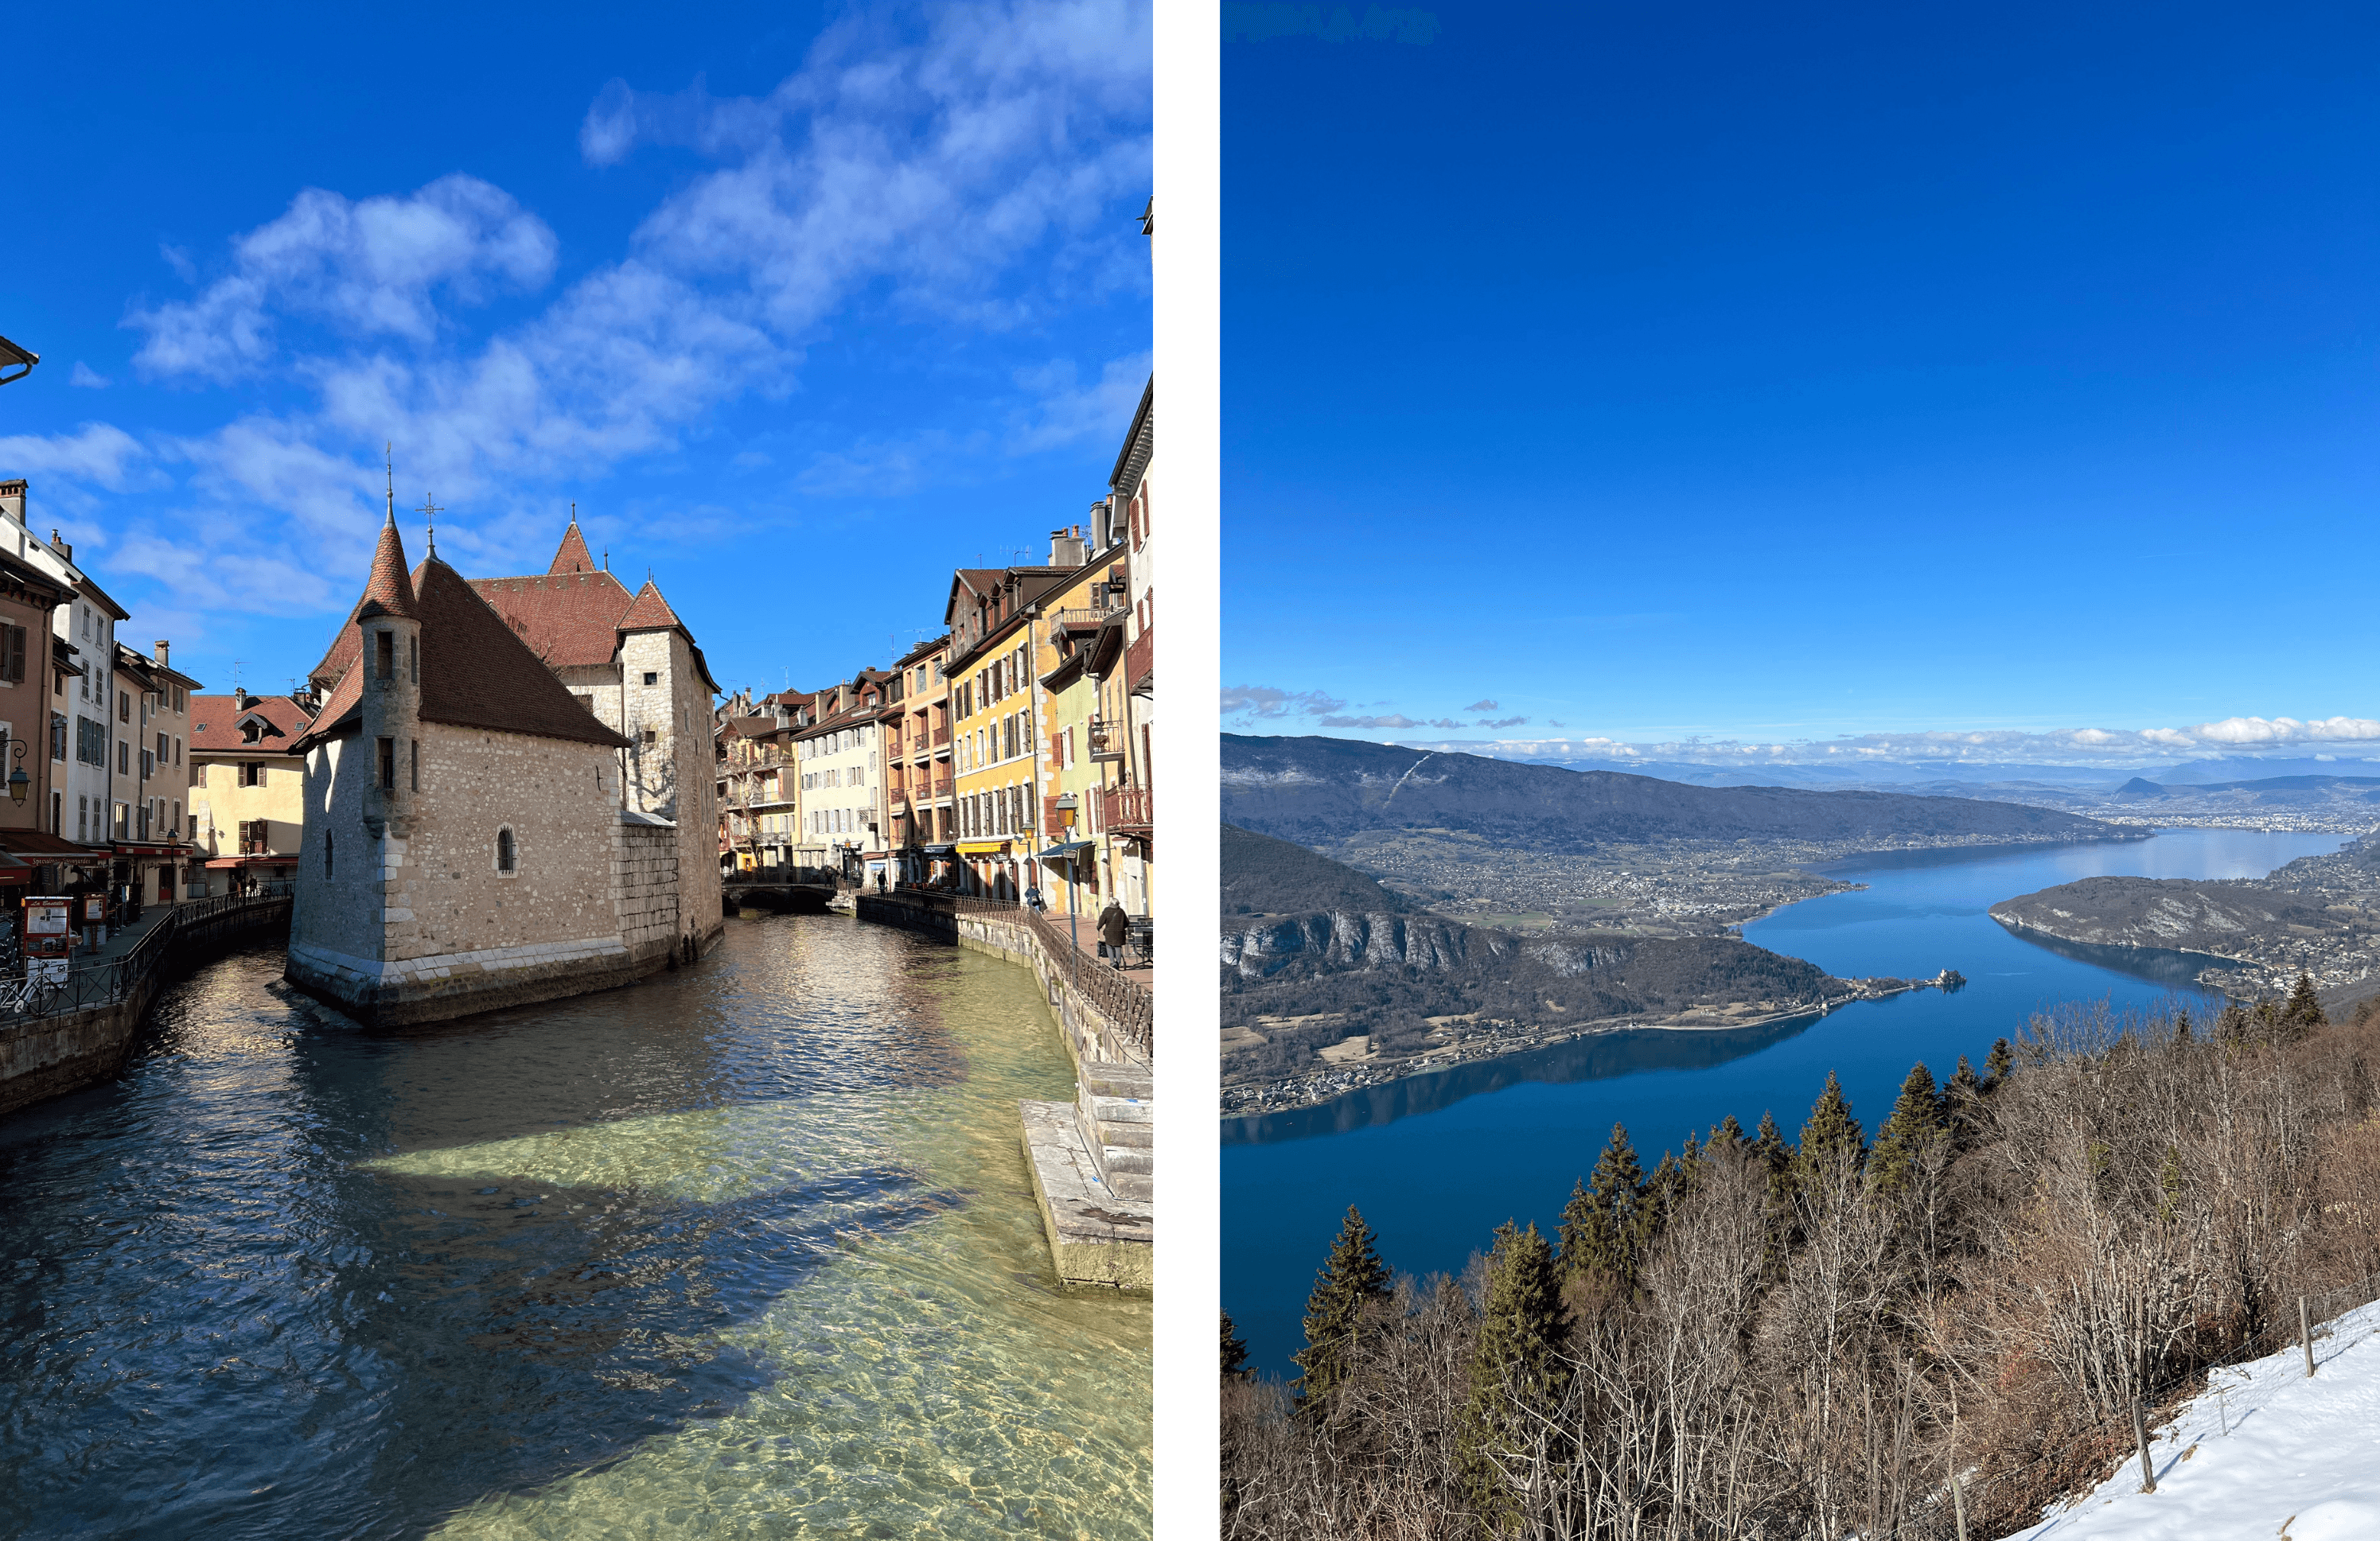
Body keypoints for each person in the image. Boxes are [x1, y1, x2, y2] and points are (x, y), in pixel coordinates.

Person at [1097, 898, 1129, 968]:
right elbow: (1127, 922)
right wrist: (1121, 927)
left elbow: (1102, 920)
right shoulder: (1121, 911)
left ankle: (1112, 962)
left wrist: (1099, 927)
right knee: (1118, 947)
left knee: (1109, 946)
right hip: (1120, 933)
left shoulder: (1107, 911)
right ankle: (1118, 963)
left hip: (1109, 932)